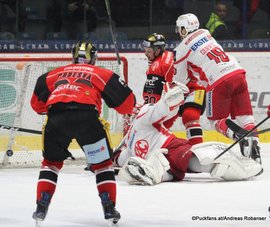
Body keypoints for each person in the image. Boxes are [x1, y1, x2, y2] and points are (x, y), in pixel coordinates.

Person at [30, 41, 136, 226]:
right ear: (93, 58)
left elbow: (37, 105)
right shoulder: (101, 73)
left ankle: (41, 207)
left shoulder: (53, 74)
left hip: (56, 119)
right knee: (103, 165)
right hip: (87, 119)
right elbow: (127, 105)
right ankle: (109, 208)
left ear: (73, 57)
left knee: (50, 165)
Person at [113, 81, 262, 186]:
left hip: (171, 148)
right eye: (126, 117)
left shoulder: (142, 116)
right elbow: (121, 159)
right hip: (163, 159)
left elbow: (159, 110)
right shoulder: (129, 144)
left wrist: (169, 100)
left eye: (128, 116)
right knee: (159, 167)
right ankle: (156, 174)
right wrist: (108, 160)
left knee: (202, 162)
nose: (126, 120)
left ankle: (242, 170)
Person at [174, 13, 262, 164]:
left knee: (214, 121)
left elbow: (180, 79)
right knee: (245, 117)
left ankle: (240, 138)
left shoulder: (182, 48)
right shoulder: (206, 33)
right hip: (238, 72)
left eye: (179, 28)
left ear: (184, 29)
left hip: (219, 80)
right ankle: (254, 150)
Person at [142, 33, 205, 145]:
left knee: (190, 116)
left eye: (149, 51)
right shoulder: (165, 57)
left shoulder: (157, 66)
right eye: (145, 50)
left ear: (158, 50)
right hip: (176, 94)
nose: (146, 54)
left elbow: (152, 98)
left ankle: (197, 150)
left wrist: (143, 111)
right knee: (161, 125)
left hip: (194, 89)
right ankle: (175, 148)